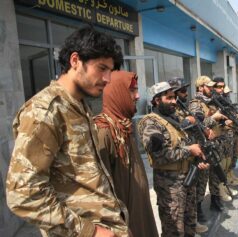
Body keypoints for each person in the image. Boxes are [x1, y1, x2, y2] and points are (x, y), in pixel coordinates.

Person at [6, 26, 130, 237]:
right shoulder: (44, 112)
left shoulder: (80, 105)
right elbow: (23, 194)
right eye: (102, 68)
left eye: (110, 71)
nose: (108, 79)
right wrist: (91, 232)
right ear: (75, 61)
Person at [138, 81, 209, 237]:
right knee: (174, 230)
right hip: (169, 186)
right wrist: (189, 151)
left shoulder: (174, 119)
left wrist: (197, 159)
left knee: (189, 224)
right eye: (169, 98)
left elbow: (186, 144)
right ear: (157, 100)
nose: (174, 101)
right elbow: (160, 156)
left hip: (187, 180)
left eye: (174, 97)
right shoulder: (151, 123)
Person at [94, 71, 159, 237]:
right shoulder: (103, 132)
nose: (137, 96)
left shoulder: (123, 126)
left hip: (138, 212)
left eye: (137, 90)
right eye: (132, 91)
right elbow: (100, 192)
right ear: (116, 92)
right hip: (123, 223)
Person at [168, 77, 209, 233]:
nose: (186, 93)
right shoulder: (172, 111)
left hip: (192, 153)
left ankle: (193, 224)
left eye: (186, 90)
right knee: (180, 203)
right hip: (182, 157)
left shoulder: (183, 106)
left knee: (191, 195)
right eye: (182, 91)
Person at [189, 75, 232, 213]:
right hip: (203, 146)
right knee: (202, 179)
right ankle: (198, 208)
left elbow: (216, 122)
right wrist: (214, 117)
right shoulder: (195, 104)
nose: (212, 89)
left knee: (215, 175)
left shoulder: (211, 102)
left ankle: (215, 199)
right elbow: (197, 125)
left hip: (215, 143)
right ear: (201, 87)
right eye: (209, 86)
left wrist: (223, 122)